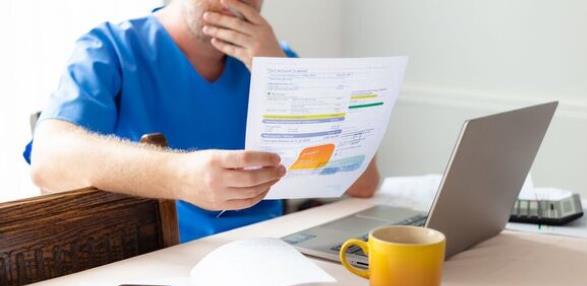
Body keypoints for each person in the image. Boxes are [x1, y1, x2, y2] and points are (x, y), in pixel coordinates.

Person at [26, 0, 380, 242]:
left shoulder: (277, 58)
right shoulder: (111, 48)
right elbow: (49, 161)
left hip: (269, 252)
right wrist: (181, 176)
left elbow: (363, 183)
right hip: (160, 263)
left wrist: (280, 73)